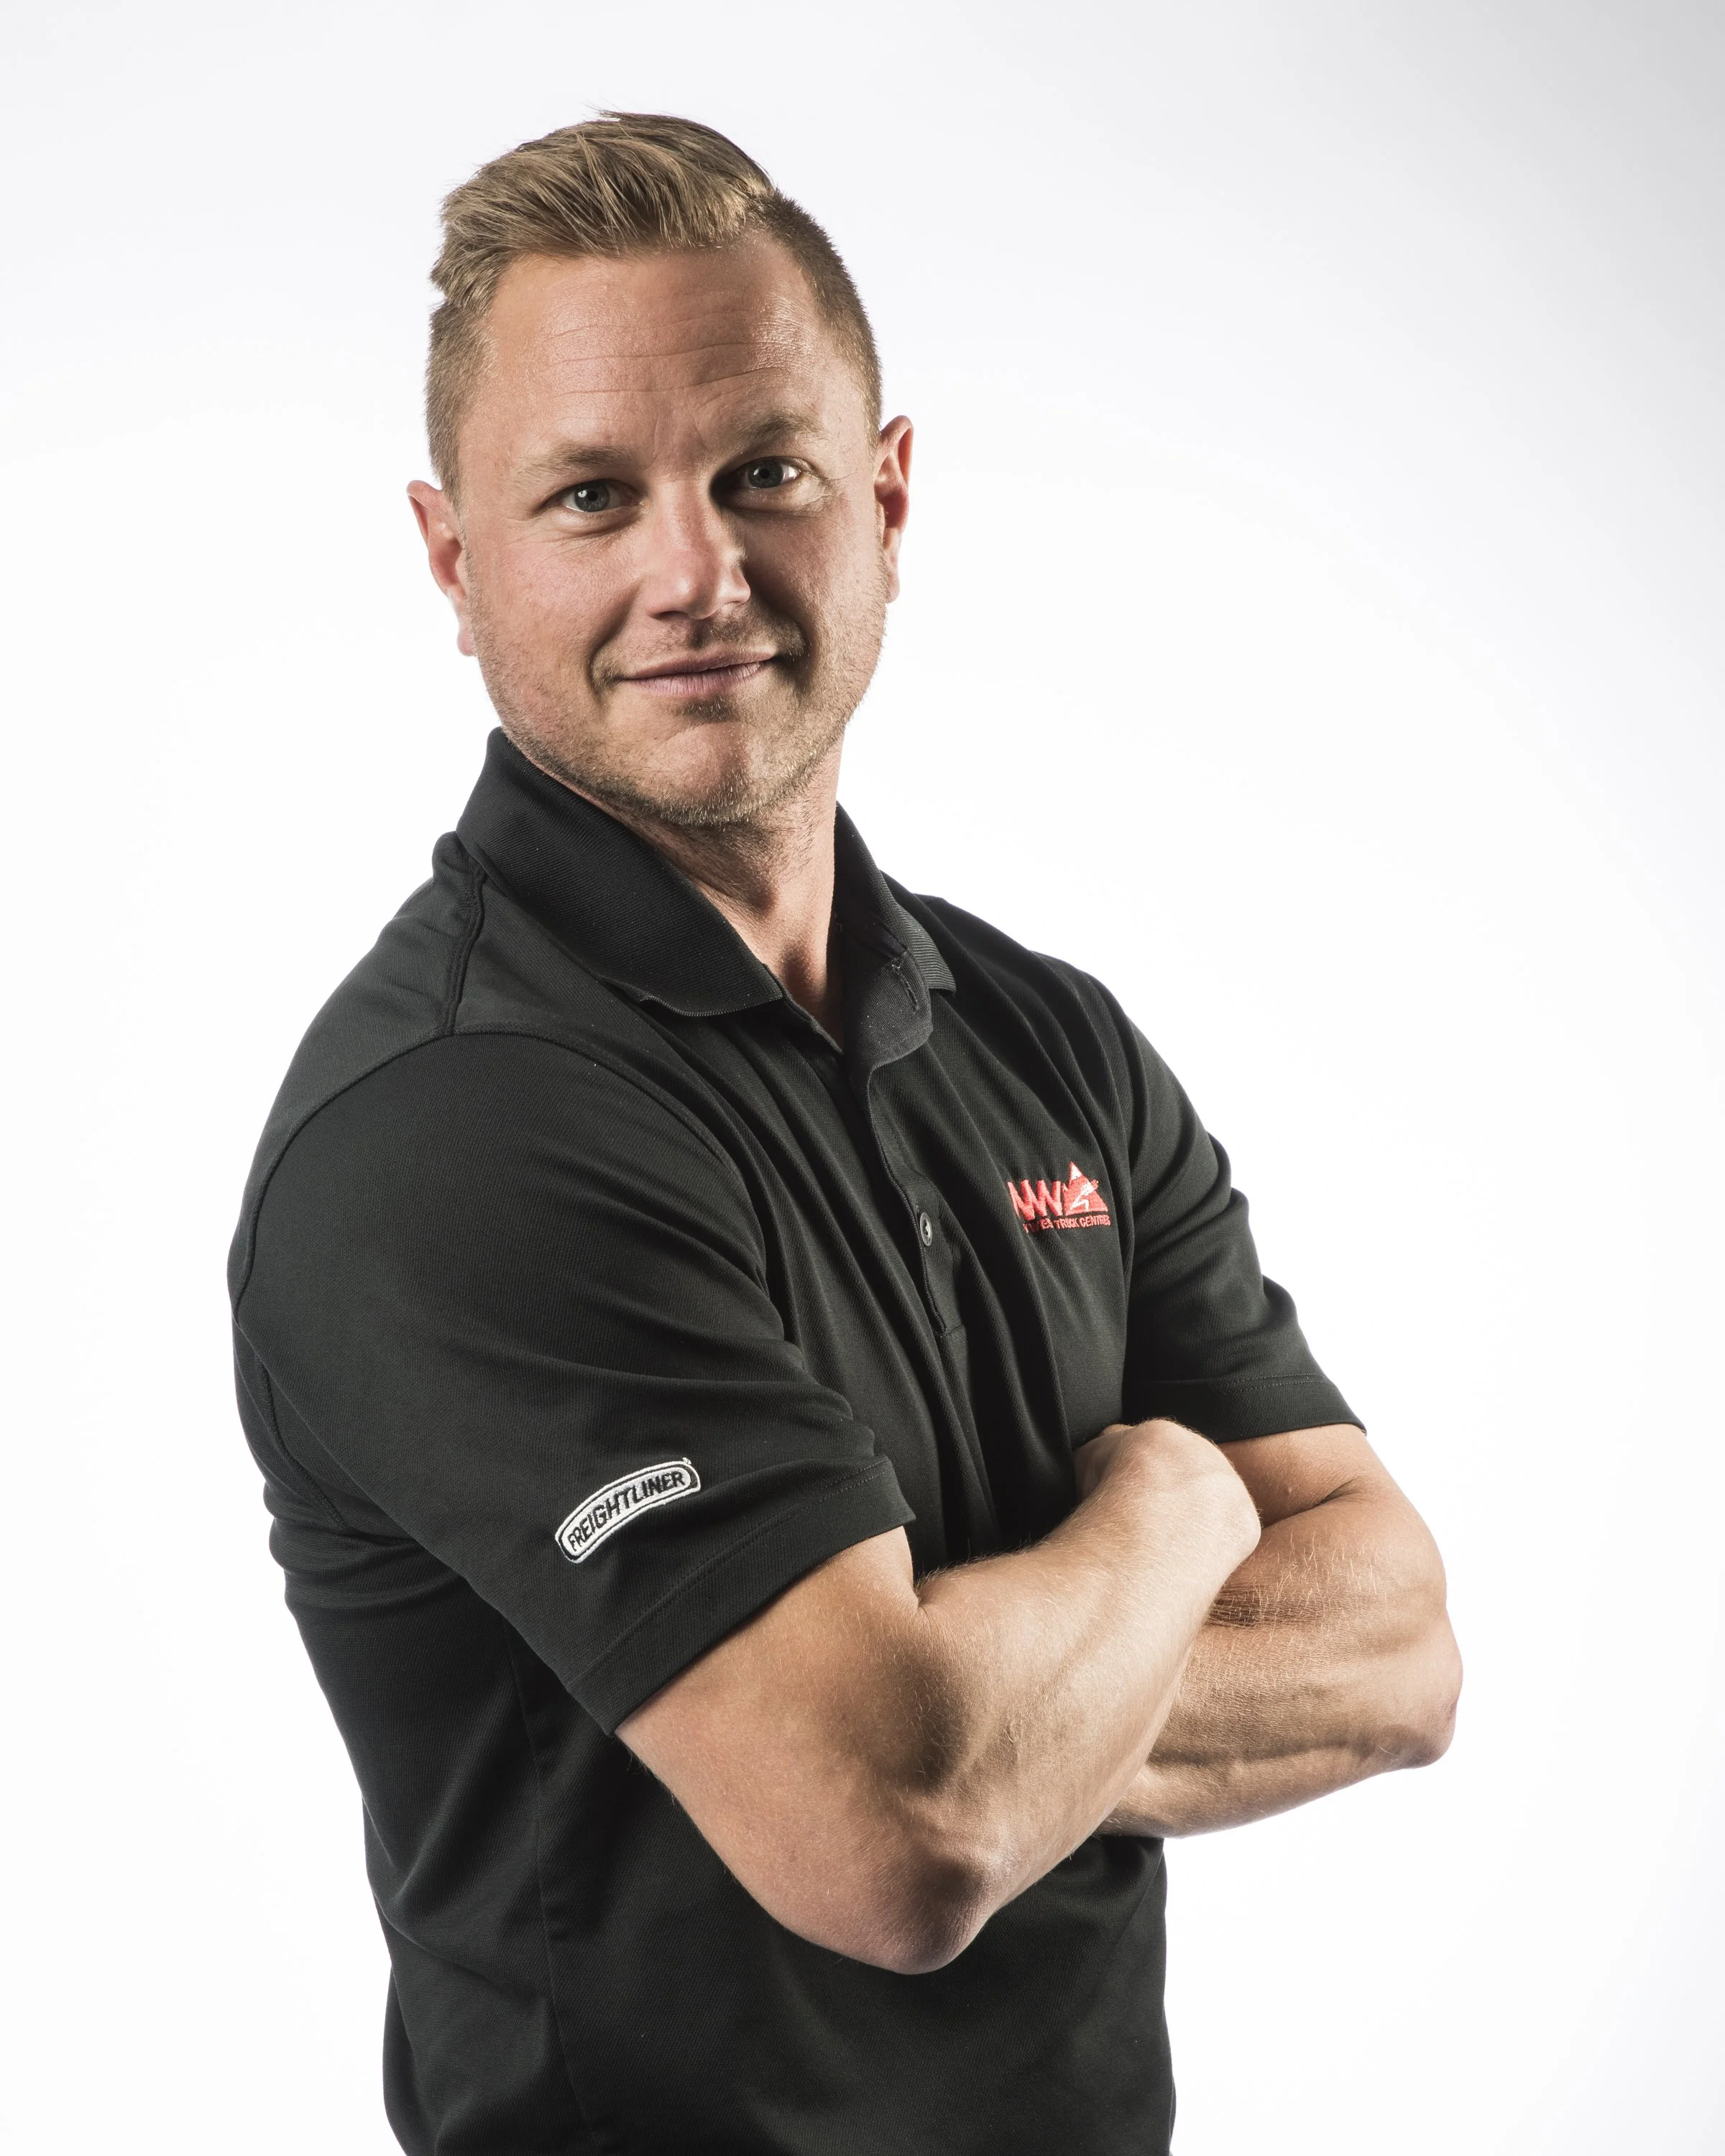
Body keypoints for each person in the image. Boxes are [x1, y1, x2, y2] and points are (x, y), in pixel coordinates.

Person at [229, 112, 1460, 2156]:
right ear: (459, 563)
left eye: (764, 474)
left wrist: (991, 1695)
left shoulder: (1040, 1037)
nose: (694, 572)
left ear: (887, 497)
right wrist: (1167, 1506)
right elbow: (900, 1833)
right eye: (593, 498)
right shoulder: (455, 1134)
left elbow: (1405, 1647)